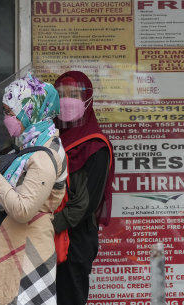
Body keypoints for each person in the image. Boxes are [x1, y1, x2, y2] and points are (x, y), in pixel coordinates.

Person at [0, 74, 67, 305]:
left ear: (31, 111)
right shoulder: (24, 147)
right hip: (2, 253)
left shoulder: (44, 155)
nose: (5, 118)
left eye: (10, 112)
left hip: (26, 259)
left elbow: (22, 210)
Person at [52, 71, 115, 305]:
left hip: (74, 239)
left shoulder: (95, 146)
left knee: (70, 297)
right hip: (47, 237)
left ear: (87, 99)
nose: (66, 100)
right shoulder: (51, 138)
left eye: (74, 94)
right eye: (60, 95)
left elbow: (86, 204)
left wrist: (48, 226)